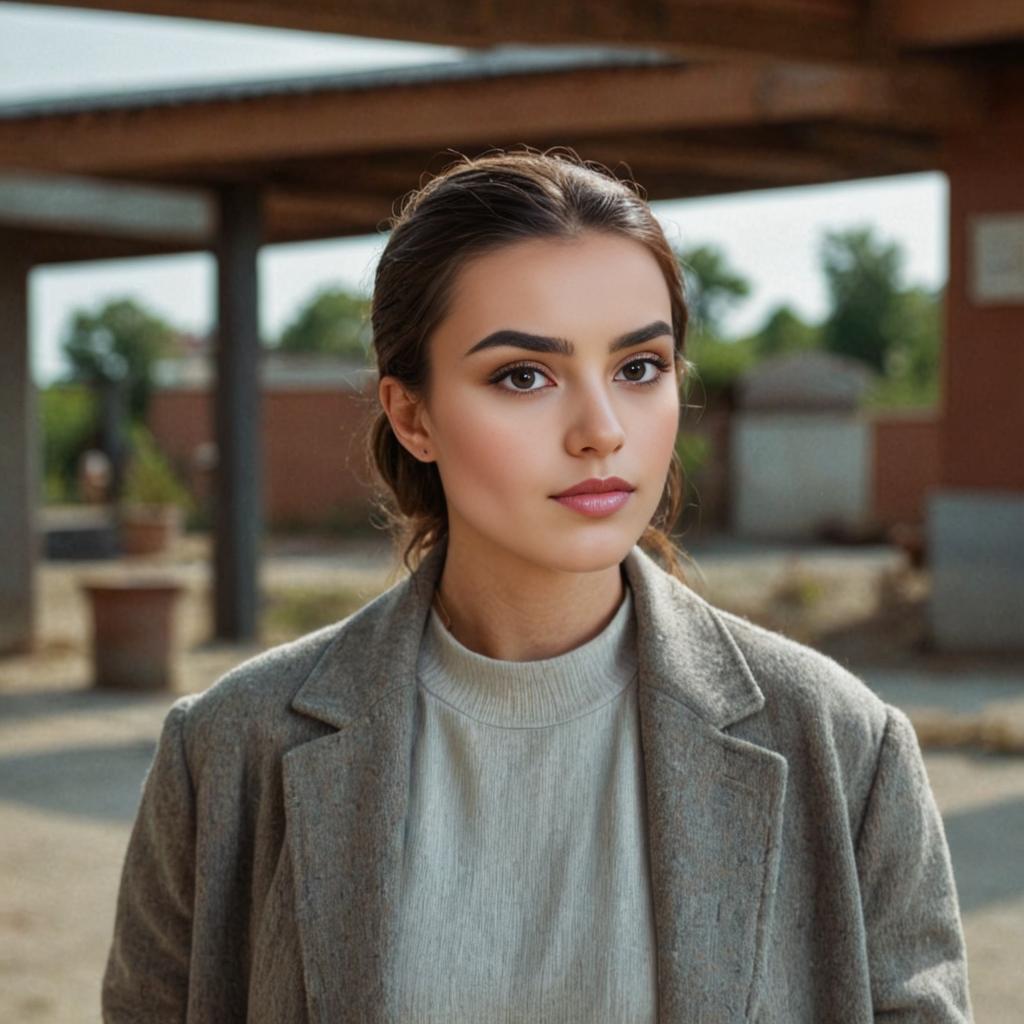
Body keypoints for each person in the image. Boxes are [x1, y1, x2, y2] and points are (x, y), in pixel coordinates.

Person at [102, 148, 972, 1023]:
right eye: (525, 375)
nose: (601, 430)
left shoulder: (845, 746)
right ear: (413, 416)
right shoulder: (225, 750)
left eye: (639, 368)